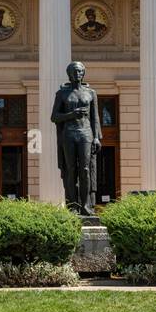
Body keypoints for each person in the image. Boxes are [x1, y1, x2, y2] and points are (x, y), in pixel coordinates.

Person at [50, 61, 102, 214]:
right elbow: (54, 117)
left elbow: (95, 118)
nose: (76, 74)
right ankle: (73, 206)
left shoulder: (91, 93)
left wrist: (97, 137)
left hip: (86, 133)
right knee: (71, 170)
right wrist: (71, 115)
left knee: (85, 169)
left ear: (83, 73)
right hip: (69, 134)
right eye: (73, 71)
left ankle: (86, 205)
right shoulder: (62, 94)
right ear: (69, 74)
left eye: (79, 71)